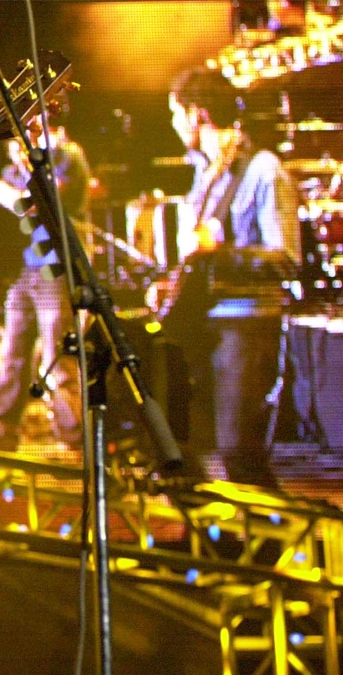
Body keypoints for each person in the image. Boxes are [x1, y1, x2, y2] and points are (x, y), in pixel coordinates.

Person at [159, 67, 300, 488]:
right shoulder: (205, 174)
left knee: (240, 454)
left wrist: (219, 254)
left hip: (247, 325)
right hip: (204, 323)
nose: (173, 125)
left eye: (176, 114)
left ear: (197, 114)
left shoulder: (263, 169)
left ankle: (277, 528)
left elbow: (286, 259)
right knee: (183, 448)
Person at [0, 118, 91, 451]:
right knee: (12, 348)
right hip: (31, 266)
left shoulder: (66, 155)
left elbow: (28, 204)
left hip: (59, 265)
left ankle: (74, 438)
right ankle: (1, 428)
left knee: (57, 355)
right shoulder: (18, 166)